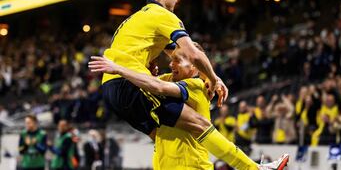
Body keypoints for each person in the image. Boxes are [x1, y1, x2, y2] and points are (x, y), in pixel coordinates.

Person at [89, 43, 289, 170]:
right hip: (166, 164)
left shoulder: (196, 85)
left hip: (189, 165)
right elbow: (149, 83)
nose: (171, 64)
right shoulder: (172, 79)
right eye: (171, 60)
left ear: (194, 67)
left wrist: (118, 69)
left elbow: (155, 85)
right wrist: (147, 70)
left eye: (178, 60)